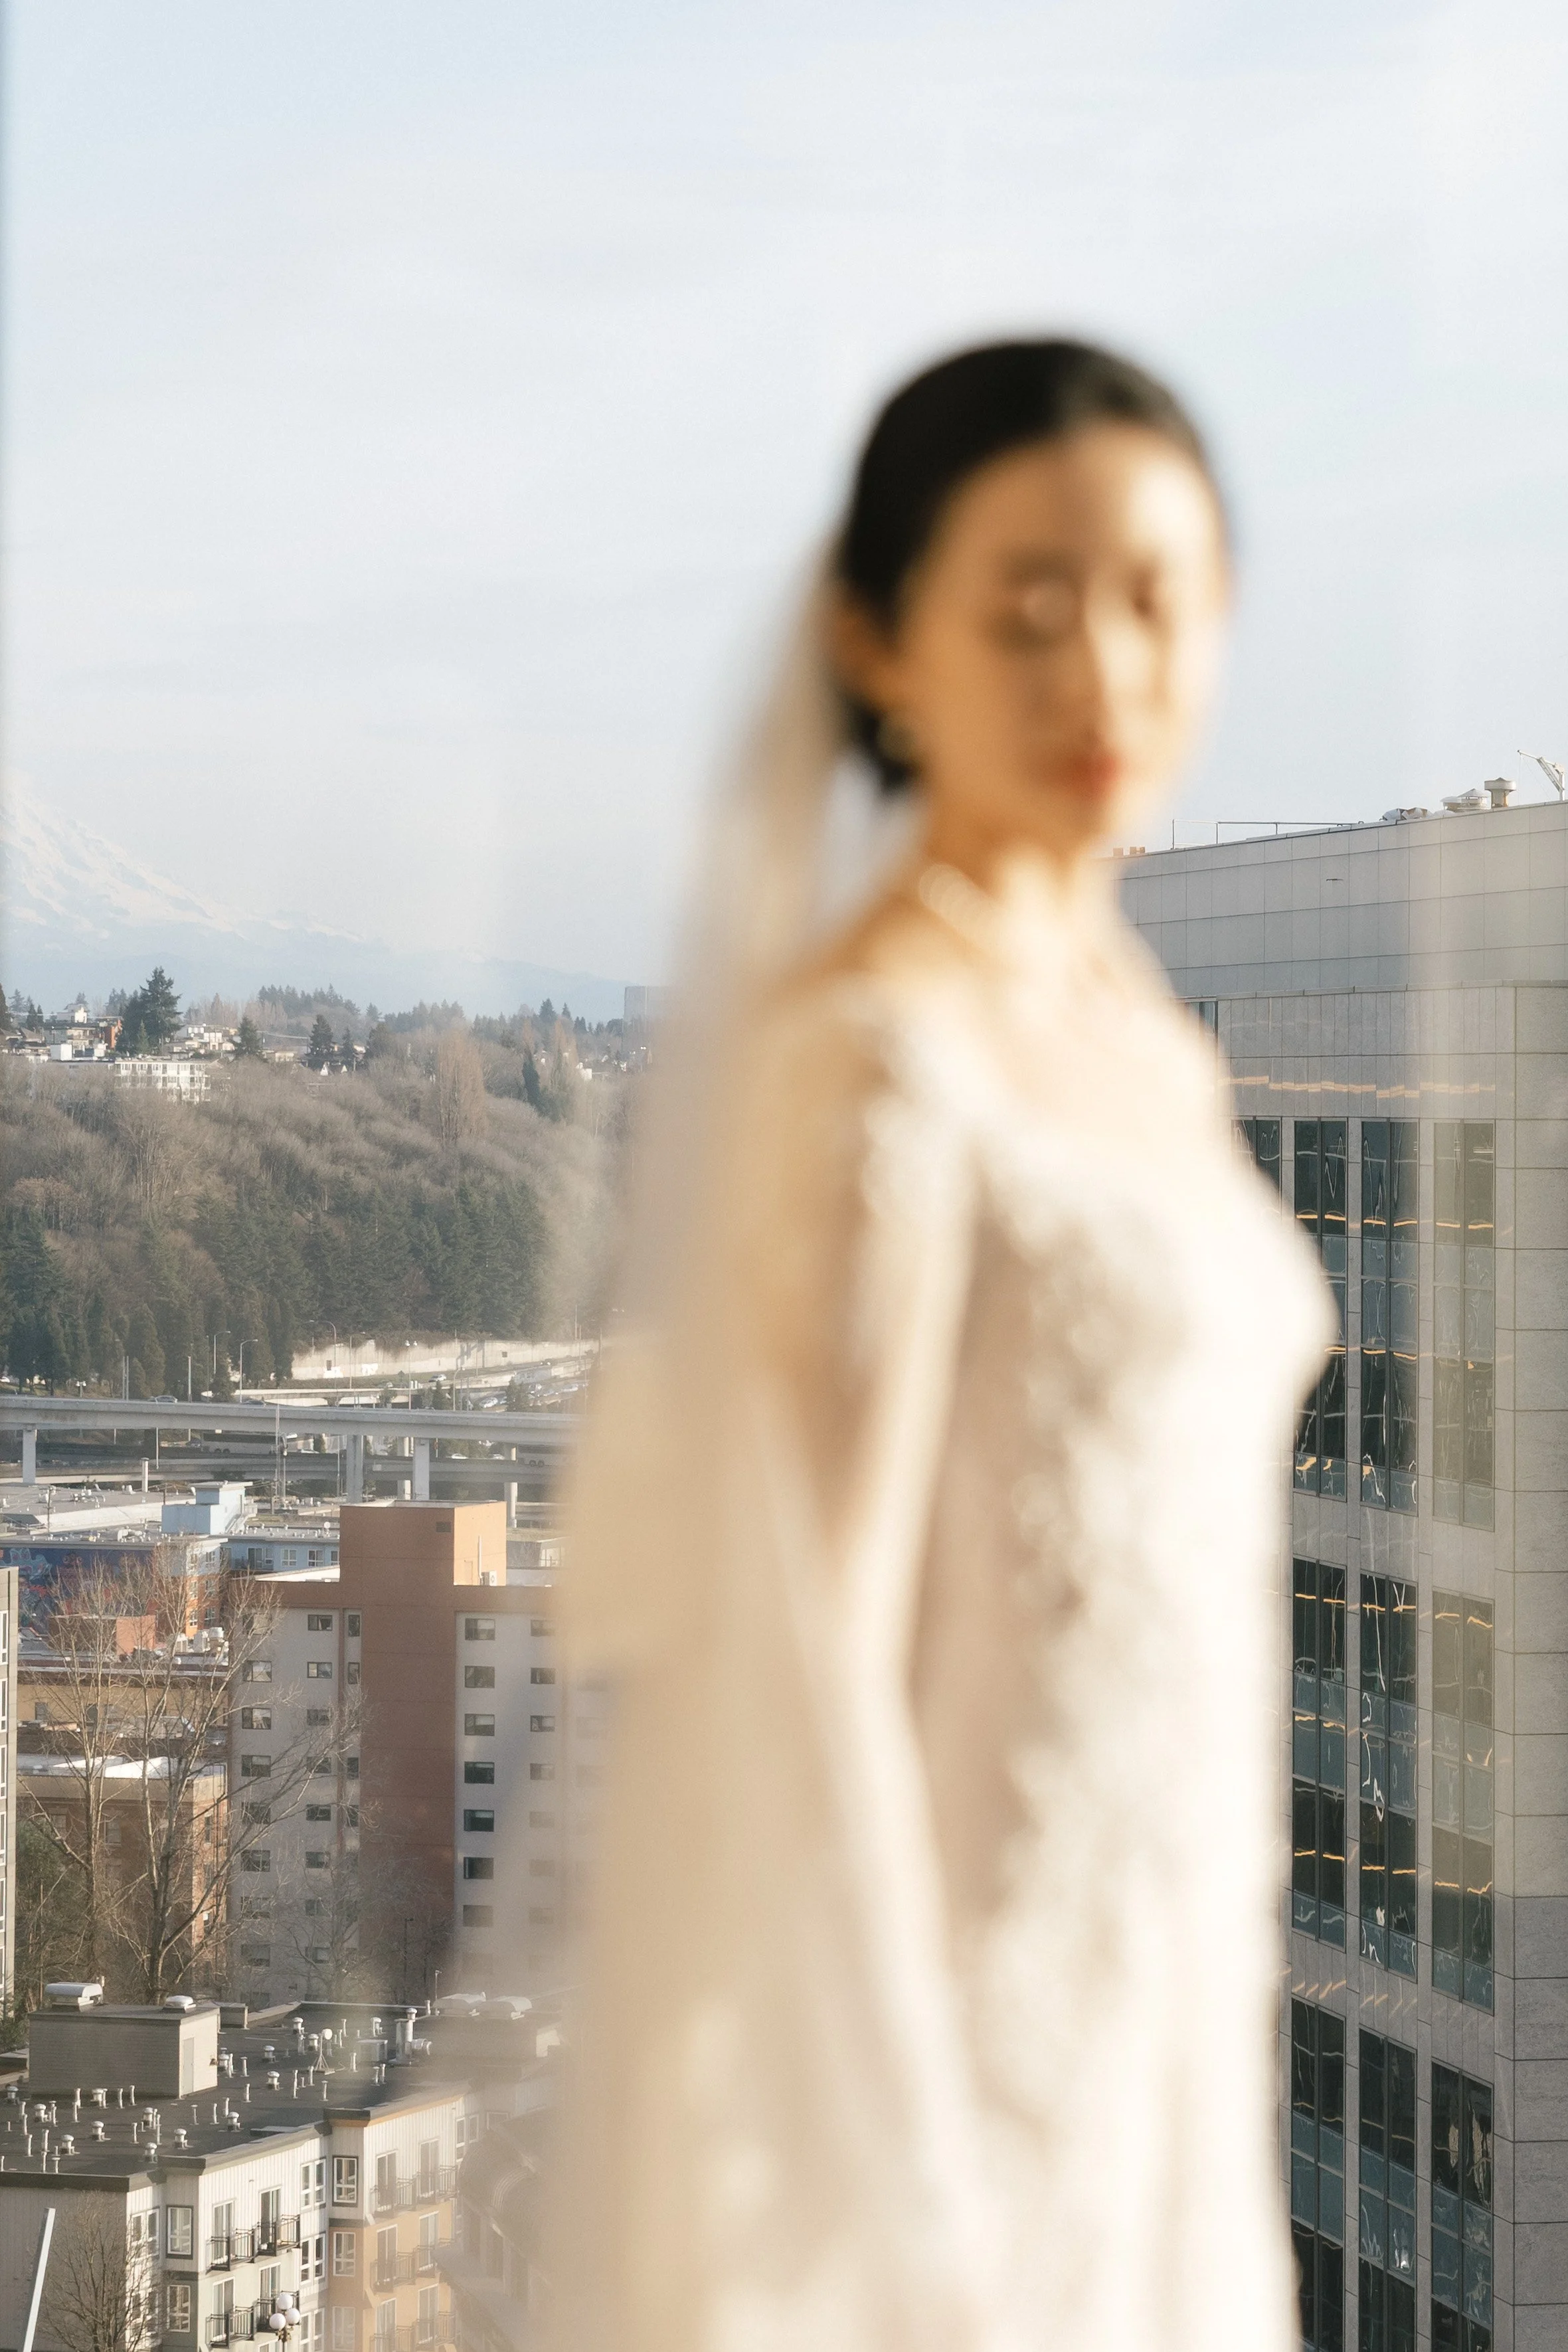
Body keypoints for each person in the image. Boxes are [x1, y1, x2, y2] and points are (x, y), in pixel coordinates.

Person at [552, 341, 1332, 2352]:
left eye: (1158, 598)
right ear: (874, 635)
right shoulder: (869, 1065)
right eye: (1027, 604)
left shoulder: (1146, 1042)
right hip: (958, 2117)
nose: (1102, 672)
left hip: (1169, 2065)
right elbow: (795, 1697)